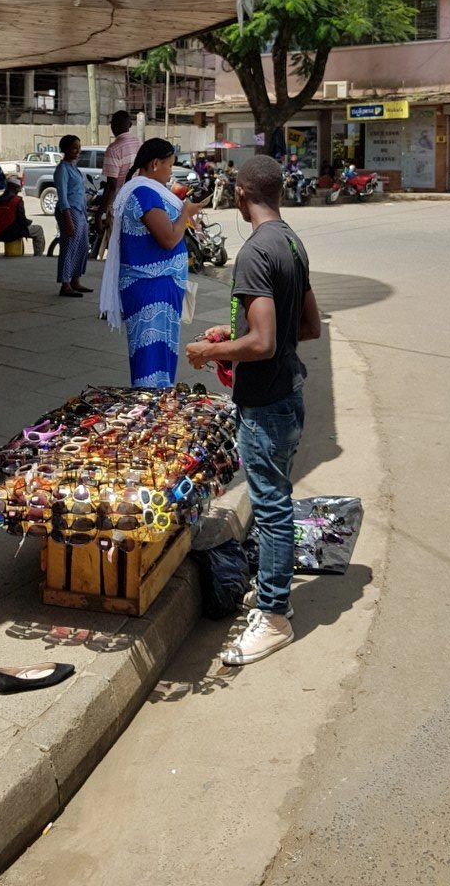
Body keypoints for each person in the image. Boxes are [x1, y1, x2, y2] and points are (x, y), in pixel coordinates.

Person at [186, 155, 321, 665]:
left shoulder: (254, 252)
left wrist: (209, 352)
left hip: (266, 402)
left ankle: (275, 615)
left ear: (242, 194)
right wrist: (234, 332)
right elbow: (306, 327)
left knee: (272, 507)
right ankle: (272, 590)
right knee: (274, 500)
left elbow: (263, 343)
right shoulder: (291, 242)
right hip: (288, 392)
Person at [99, 138, 208, 387]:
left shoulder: (148, 191)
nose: (171, 172)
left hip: (158, 287)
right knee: (150, 361)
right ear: (156, 163)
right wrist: (185, 212)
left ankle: (158, 403)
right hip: (150, 288)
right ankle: (149, 405)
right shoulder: (144, 194)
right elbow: (168, 239)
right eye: (169, 165)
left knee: (160, 356)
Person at [53, 135, 92, 298]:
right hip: (69, 211)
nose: (78, 151)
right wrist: (68, 219)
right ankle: (65, 284)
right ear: (66, 149)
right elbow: (63, 196)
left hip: (80, 210)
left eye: (79, 147)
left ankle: (76, 279)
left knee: (82, 246)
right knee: (69, 246)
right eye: (74, 148)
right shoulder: (62, 169)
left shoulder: (74, 168)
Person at [95, 111, 140, 231]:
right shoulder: (139, 143)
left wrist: (99, 214)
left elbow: (112, 186)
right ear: (130, 125)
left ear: (113, 126)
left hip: (118, 207)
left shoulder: (113, 149)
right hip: (136, 203)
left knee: (115, 241)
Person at [0, 175, 45, 254]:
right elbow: (22, 220)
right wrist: (28, 222)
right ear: (15, 188)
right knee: (38, 230)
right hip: (12, 233)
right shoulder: (17, 201)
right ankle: (38, 256)